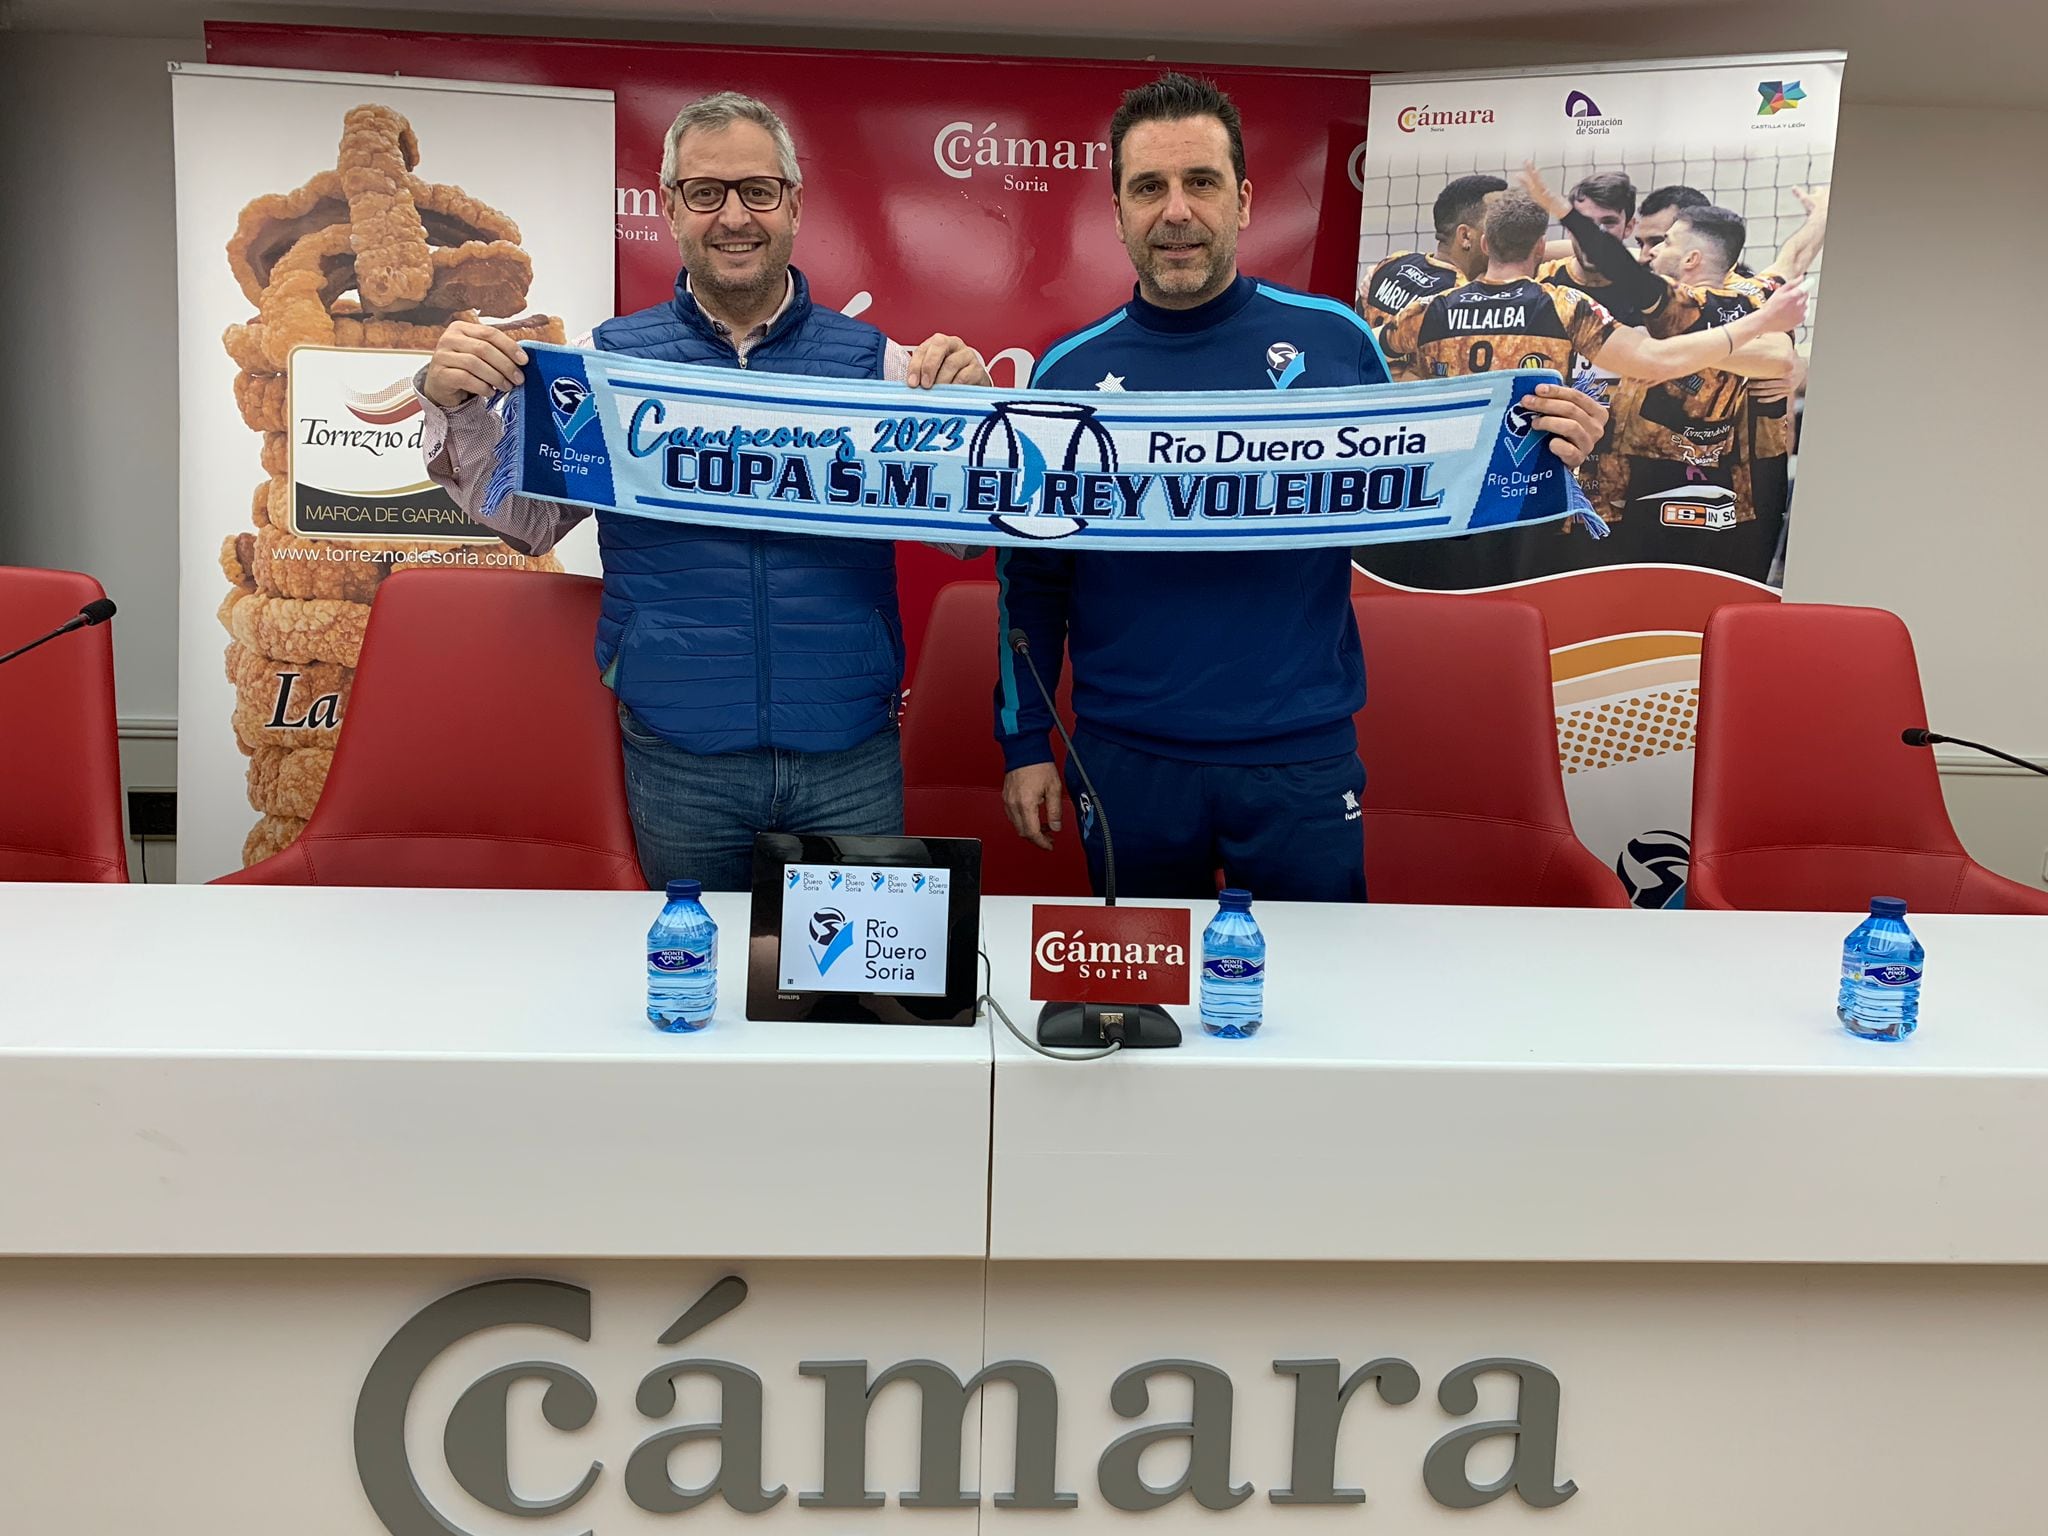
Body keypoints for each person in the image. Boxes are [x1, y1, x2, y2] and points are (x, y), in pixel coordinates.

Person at [993, 73, 1609, 903]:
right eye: (1149, 188)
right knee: (1137, 1019)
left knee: (1314, 1014)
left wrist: (1546, 456)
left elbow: (1425, 489)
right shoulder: (1063, 374)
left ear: (1244, 200)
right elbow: (1032, 576)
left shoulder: (1336, 341)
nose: (1176, 211)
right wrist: (1028, 741)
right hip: (1125, 760)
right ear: (1118, 214)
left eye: (1201, 182)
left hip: (1299, 759)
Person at [416, 92, 989, 891]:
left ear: (792, 206)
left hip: (847, 756)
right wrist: (456, 408)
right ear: (669, 208)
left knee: (855, 1004)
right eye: (705, 192)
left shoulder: (882, 370)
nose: (734, 217)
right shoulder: (604, 368)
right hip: (680, 760)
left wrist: (972, 418)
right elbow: (528, 521)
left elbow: (973, 535)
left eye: (758, 191)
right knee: (698, 988)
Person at [1358, 173, 1506, 376]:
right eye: (1497, 225)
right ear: (1465, 236)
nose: (1505, 234)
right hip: (1411, 404)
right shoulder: (1459, 298)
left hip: (1360, 387)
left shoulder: (1392, 263)